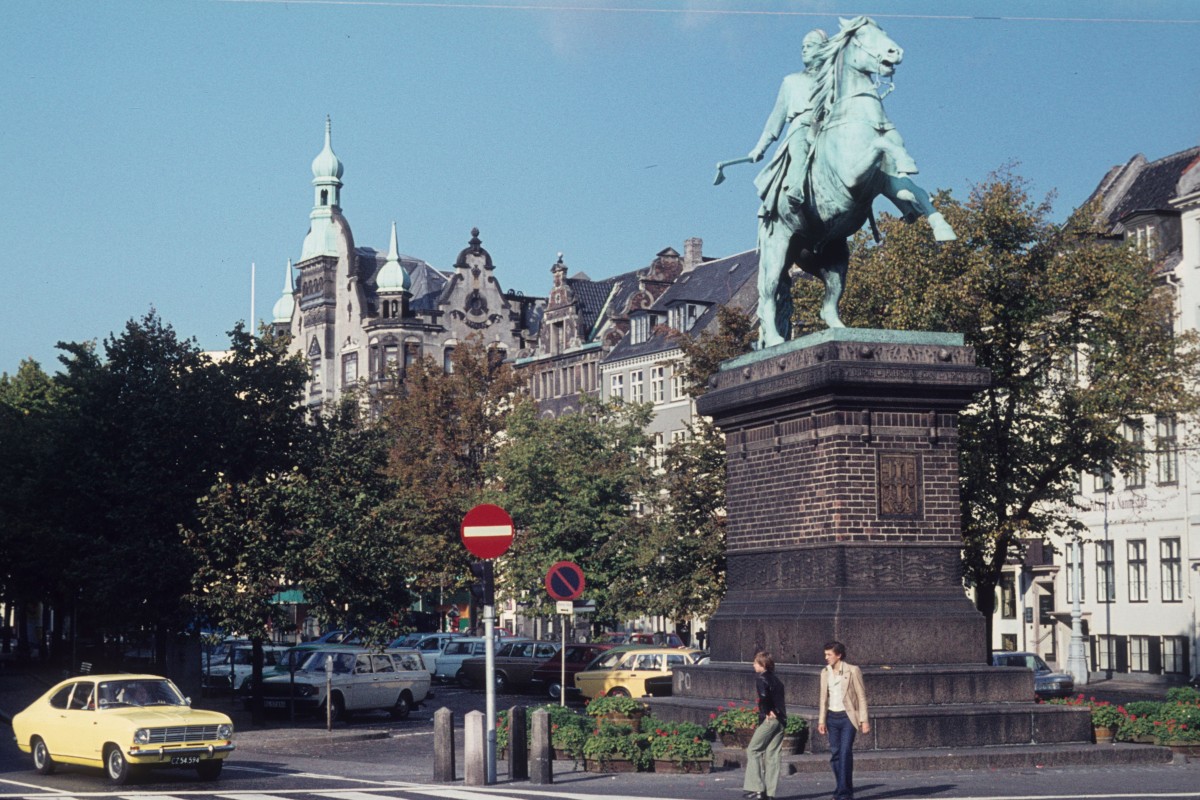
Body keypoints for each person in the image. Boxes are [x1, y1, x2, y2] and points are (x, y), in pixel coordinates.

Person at [748, 28, 828, 221]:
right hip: (802, 126)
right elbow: (776, 119)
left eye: (809, 46)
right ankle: (795, 189)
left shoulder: (834, 80)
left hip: (828, 127)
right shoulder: (791, 81)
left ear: (823, 49)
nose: (804, 50)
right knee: (799, 147)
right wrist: (760, 147)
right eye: (803, 47)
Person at [818, 641, 870, 800]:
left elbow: (861, 696)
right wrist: (821, 720)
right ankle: (844, 788)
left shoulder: (853, 670)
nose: (826, 657)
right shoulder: (825, 672)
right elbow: (823, 699)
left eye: (829, 654)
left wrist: (864, 720)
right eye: (825, 654)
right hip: (832, 718)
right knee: (835, 754)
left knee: (845, 752)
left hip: (848, 717)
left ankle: (843, 793)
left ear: (838, 655)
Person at [742, 651, 786, 800]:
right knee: (772, 755)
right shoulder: (777, 680)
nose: (753, 665)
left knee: (753, 750)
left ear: (763, 664)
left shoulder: (761, 678)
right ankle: (769, 793)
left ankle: (757, 788)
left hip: (770, 720)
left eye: (755, 662)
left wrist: (767, 711)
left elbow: (764, 696)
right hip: (781, 720)